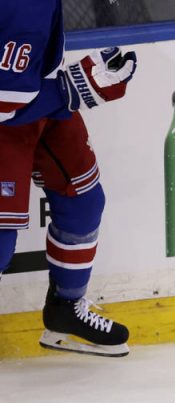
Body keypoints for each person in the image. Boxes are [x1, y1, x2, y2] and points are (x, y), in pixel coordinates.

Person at [0, 0, 137, 356]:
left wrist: (70, 86)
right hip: (10, 110)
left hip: (36, 95)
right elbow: (4, 103)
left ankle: (65, 310)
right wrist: (74, 88)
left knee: (83, 199)